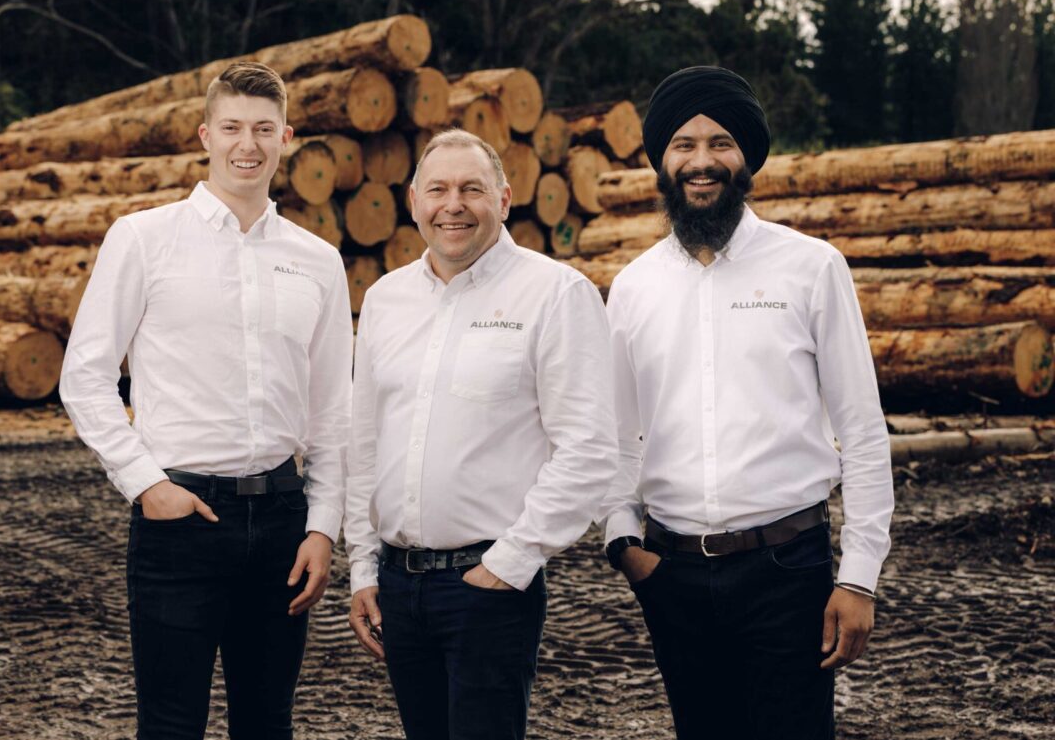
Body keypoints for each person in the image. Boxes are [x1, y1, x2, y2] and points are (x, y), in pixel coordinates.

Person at [599, 66, 894, 740]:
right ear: (661, 161)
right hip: (670, 574)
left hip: (789, 571)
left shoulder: (813, 268)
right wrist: (625, 545)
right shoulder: (633, 287)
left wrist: (859, 577)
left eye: (721, 141)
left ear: (748, 157)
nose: (702, 161)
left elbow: (863, 431)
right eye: (683, 144)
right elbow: (616, 436)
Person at [60, 61, 351, 740]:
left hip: (283, 518)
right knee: (170, 724)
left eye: (263, 129)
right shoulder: (143, 238)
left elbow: (334, 408)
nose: (246, 144)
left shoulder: (318, 260)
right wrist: (145, 483)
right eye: (231, 128)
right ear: (204, 135)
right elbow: (85, 373)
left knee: (266, 721)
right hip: (179, 520)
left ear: (286, 138)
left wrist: (323, 524)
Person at [344, 129, 617, 740]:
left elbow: (590, 448)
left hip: (488, 584)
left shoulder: (554, 292)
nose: (454, 204)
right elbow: (364, 446)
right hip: (398, 584)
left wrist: (509, 565)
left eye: (472, 189)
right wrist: (363, 567)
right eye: (437, 189)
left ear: (506, 197)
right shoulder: (386, 299)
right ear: (413, 200)